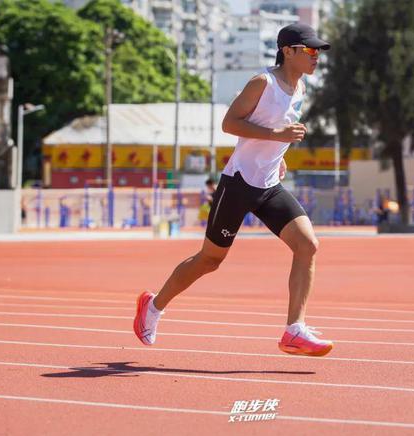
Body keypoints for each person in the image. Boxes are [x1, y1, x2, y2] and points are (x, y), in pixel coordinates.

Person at [134, 23, 333, 357]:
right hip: (238, 184)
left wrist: (279, 155)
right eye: (310, 50)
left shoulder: (300, 88)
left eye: (318, 52)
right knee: (210, 260)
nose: (316, 57)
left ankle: (294, 331)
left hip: (269, 186)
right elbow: (230, 124)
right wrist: (277, 137)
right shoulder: (263, 83)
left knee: (307, 245)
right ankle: (153, 307)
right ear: (288, 51)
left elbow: (274, 130)